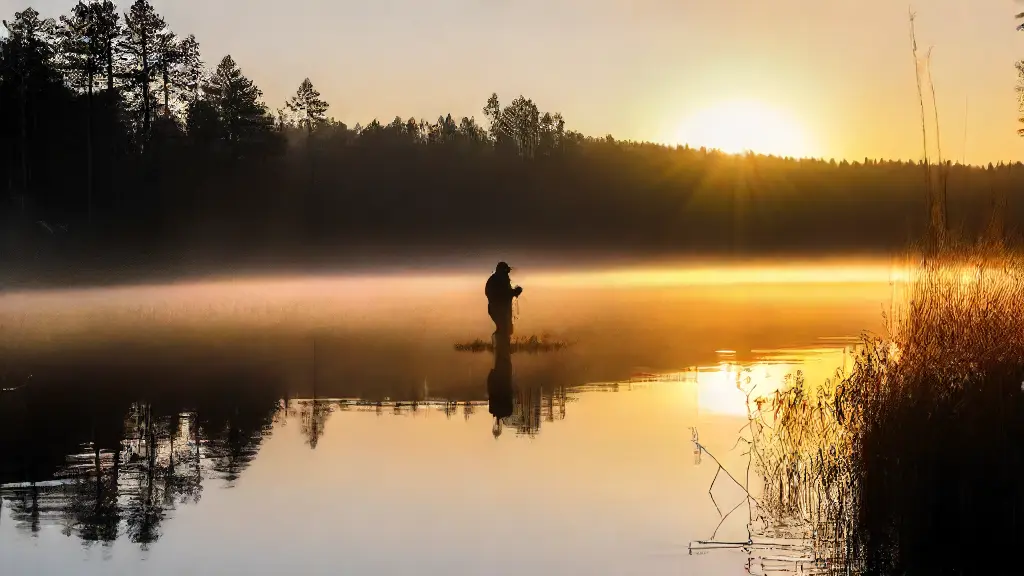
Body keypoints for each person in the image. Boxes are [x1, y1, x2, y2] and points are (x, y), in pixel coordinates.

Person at [485, 261, 522, 340]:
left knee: (505, 329)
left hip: (497, 309)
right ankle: (501, 348)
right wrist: (515, 292)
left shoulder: (495, 279)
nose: (508, 273)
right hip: (499, 310)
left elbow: (505, 293)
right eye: (507, 271)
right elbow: (504, 293)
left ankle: (499, 348)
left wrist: (513, 292)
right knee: (504, 330)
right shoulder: (499, 280)